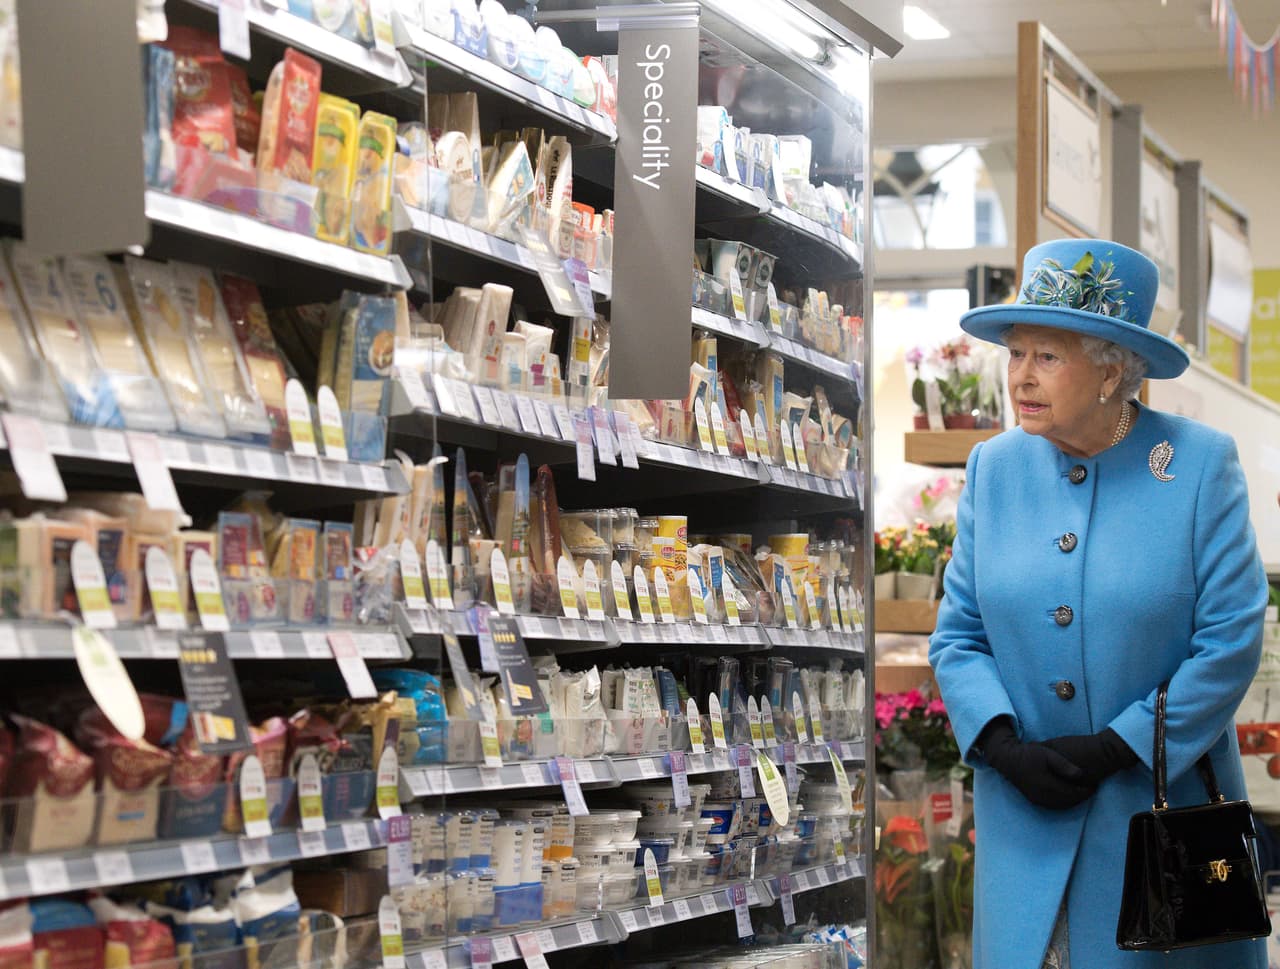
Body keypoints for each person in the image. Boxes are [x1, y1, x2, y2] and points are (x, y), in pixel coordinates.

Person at [928, 238, 1268, 969]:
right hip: (1022, 824)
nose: (1020, 375)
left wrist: (1122, 743)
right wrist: (998, 743)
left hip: (1154, 824)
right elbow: (958, 634)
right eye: (1015, 354)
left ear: (1113, 367)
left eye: (1046, 356)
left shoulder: (1199, 464)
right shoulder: (994, 467)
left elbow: (1232, 637)